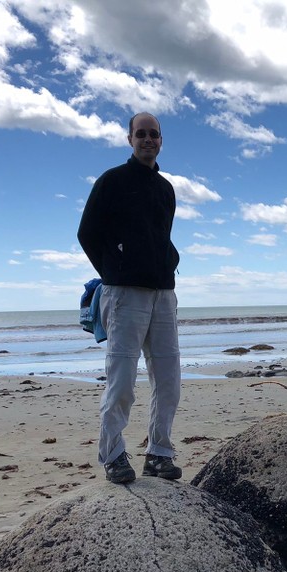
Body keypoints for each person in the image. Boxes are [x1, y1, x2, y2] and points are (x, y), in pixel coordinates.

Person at [77, 112, 182, 483]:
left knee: (169, 380)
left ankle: (159, 452)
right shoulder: (112, 181)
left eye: (154, 134)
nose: (148, 140)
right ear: (129, 138)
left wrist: (169, 261)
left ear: (161, 140)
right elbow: (87, 233)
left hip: (163, 294)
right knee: (122, 380)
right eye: (141, 134)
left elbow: (161, 235)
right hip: (124, 295)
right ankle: (113, 453)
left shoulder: (166, 188)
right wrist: (114, 270)